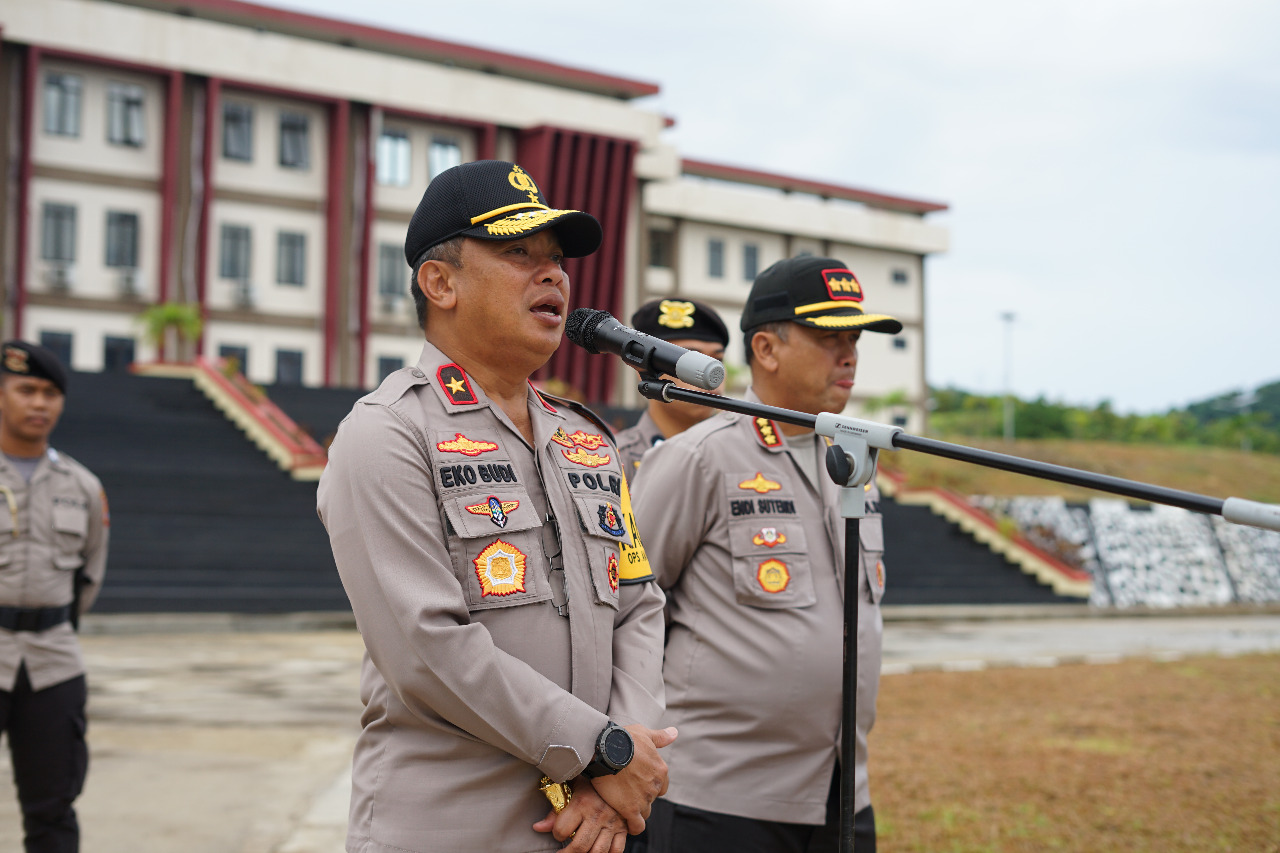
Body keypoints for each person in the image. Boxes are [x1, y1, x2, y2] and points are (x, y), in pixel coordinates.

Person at [317, 160, 676, 853]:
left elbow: (639, 603)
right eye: (519, 253)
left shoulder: (586, 439)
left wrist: (622, 754)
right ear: (440, 281)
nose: (554, 276)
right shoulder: (388, 432)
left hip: (591, 826)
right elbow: (428, 648)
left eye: (557, 259)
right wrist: (598, 747)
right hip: (451, 827)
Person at [630, 257, 901, 852]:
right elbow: (626, 610)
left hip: (841, 794)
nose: (849, 355)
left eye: (854, 340)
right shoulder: (697, 458)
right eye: (831, 338)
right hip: (720, 800)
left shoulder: (853, 464)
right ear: (767, 349)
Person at [0, 341, 109, 853]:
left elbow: (89, 574)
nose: (39, 403)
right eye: (26, 390)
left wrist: (51, 621)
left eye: (50, 393)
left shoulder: (83, 485)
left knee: (53, 809)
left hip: (54, 660)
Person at [613, 299, 729, 475]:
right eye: (692, 362)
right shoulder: (613, 460)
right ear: (644, 368)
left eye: (717, 360)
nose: (710, 375)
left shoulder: (739, 454)